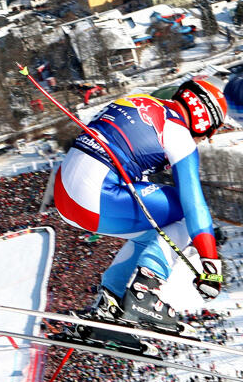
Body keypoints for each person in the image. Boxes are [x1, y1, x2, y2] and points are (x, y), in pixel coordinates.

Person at [53, 75, 226, 333]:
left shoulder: (139, 99)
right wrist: (210, 263)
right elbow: (194, 205)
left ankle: (111, 300)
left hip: (64, 196)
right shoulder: (178, 133)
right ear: (204, 119)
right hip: (95, 199)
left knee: (153, 233)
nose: (205, 139)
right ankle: (144, 293)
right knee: (180, 214)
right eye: (210, 133)